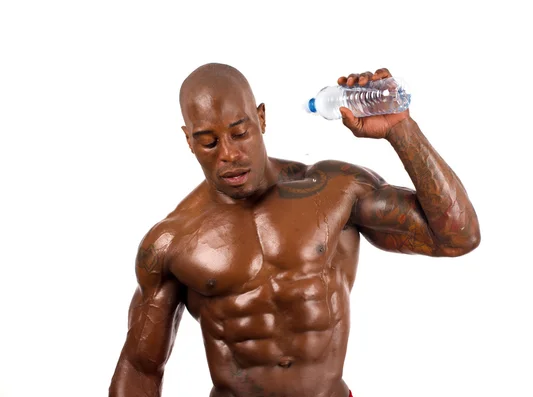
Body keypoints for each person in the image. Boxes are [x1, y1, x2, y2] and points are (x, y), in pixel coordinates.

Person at [108, 63, 481, 397]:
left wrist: (401, 130)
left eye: (240, 133)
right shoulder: (172, 242)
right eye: (209, 142)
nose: (229, 154)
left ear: (262, 119)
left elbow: (457, 236)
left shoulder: (334, 192)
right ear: (189, 141)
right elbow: (141, 368)